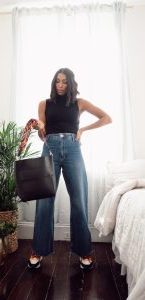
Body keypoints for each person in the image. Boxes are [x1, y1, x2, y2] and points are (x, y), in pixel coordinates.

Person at [28, 68, 112, 270]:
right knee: (45, 201)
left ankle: (84, 252)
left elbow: (106, 117)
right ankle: (38, 251)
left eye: (65, 82)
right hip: (50, 148)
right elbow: (43, 135)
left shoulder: (79, 103)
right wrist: (40, 127)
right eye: (57, 81)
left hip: (73, 150)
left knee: (79, 200)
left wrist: (82, 129)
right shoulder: (44, 104)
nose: (60, 85)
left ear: (70, 84)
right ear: (53, 83)